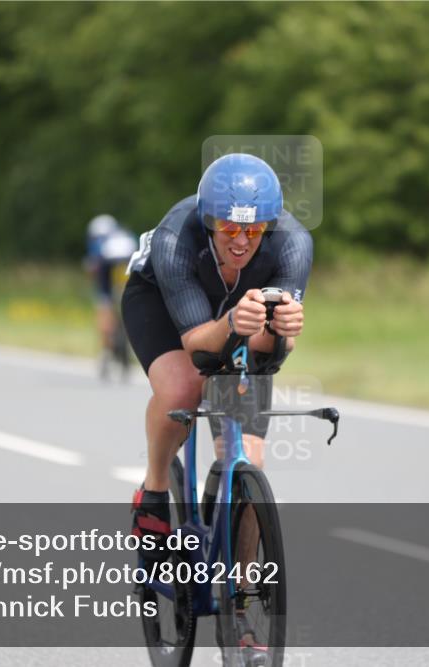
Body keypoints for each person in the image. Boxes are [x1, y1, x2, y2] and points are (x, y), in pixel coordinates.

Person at [121, 153, 313, 562]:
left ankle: (241, 585)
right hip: (161, 303)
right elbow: (197, 345)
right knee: (183, 388)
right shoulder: (176, 237)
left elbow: (276, 349)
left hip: (239, 318)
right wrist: (232, 323)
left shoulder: (293, 244)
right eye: (228, 227)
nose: (241, 241)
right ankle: (154, 488)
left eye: (254, 229)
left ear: (269, 225)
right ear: (209, 221)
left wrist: (282, 331)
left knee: (249, 456)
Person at [84, 214, 136, 365]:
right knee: (130, 297)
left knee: (104, 303)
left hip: (106, 268)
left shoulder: (98, 240)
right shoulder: (126, 234)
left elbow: (93, 266)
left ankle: (106, 349)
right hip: (128, 266)